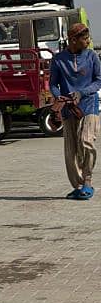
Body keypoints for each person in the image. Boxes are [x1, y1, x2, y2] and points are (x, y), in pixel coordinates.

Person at [49, 22, 101, 199]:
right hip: (68, 109)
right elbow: (53, 84)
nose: (88, 41)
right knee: (71, 151)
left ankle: (87, 182)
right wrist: (59, 98)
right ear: (73, 40)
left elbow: (98, 81)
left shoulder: (92, 56)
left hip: (89, 105)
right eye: (84, 39)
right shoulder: (58, 59)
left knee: (87, 141)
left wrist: (81, 92)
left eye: (88, 38)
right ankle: (78, 186)